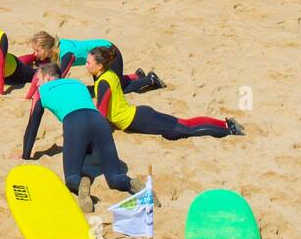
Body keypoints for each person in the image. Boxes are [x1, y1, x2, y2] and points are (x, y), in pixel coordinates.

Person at [22, 62, 144, 212]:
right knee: (114, 177)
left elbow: (32, 127)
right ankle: (131, 182)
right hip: (99, 121)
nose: (37, 84)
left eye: (38, 80)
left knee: (72, 177)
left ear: (46, 77)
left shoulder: (42, 91)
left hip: (74, 123)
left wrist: (25, 156)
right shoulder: (77, 83)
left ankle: (82, 183)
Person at [87, 46, 242, 140]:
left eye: (88, 63)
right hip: (139, 113)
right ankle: (226, 123)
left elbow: (100, 114)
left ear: (99, 65)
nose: (86, 65)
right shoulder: (110, 74)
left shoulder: (103, 82)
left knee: (186, 130)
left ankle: (228, 130)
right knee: (185, 123)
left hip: (137, 120)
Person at [24, 32, 161, 98]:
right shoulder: (53, 51)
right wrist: (29, 96)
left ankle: (150, 79)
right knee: (99, 88)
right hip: (98, 59)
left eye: (37, 50)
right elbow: (39, 74)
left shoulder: (66, 54)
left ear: (47, 48)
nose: (35, 54)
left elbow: (58, 81)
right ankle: (136, 76)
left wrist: (41, 95)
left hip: (109, 52)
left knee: (118, 90)